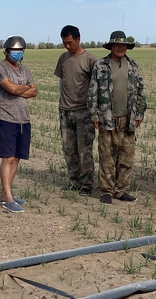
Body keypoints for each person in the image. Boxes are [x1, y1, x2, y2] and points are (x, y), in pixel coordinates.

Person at [87, 31, 146, 204]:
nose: (120, 48)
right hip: (106, 117)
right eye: (117, 45)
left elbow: (140, 91)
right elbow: (92, 91)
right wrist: (94, 114)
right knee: (107, 155)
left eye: (123, 45)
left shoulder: (133, 66)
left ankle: (121, 190)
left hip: (128, 118)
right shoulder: (100, 65)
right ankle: (106, 190)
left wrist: (139, 113)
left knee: (127, 156)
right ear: (111, 47)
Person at [0, 35, 37, 213]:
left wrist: (20, 89)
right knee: (8, 157)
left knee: (17, 157)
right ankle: (7, 197)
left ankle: (8, 193)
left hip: (23, 118)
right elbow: (10, 89)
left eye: (20, 51)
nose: (17, 53)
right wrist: (24, 88)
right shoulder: (0, 67)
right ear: (6, 51)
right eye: (14, 50)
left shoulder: (24, 69)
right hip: (7, 117)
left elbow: (34, 91)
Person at [54, 25, 97, 196]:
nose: (67, 46)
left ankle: (87, 184)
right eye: (64, 43)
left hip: (83, 112)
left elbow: (96, 86)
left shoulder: (90, 59)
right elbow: (62, 82)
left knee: (84, 150)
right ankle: (74, 181)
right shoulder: (63, 58)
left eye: (70, 42)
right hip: (65, 111)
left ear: (78, 39)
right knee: (69, 149)